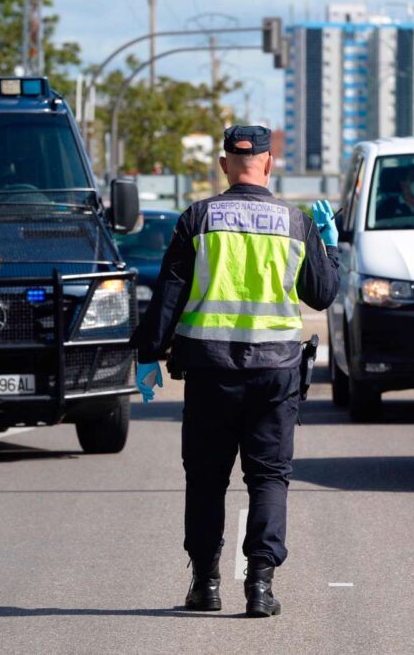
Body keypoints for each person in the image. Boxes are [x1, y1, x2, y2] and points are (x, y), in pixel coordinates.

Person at [129, 125, 340, 617]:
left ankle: (205, 585)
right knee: (268, 477)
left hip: (209, 372)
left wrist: (146, 355)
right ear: (269, 164)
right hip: (276, 374)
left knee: (206, 480)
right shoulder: (295, 222)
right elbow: (322, 295)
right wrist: (328, 247)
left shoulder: (197, 219)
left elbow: (169, 296)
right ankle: (260, 588)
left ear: (224, 164)